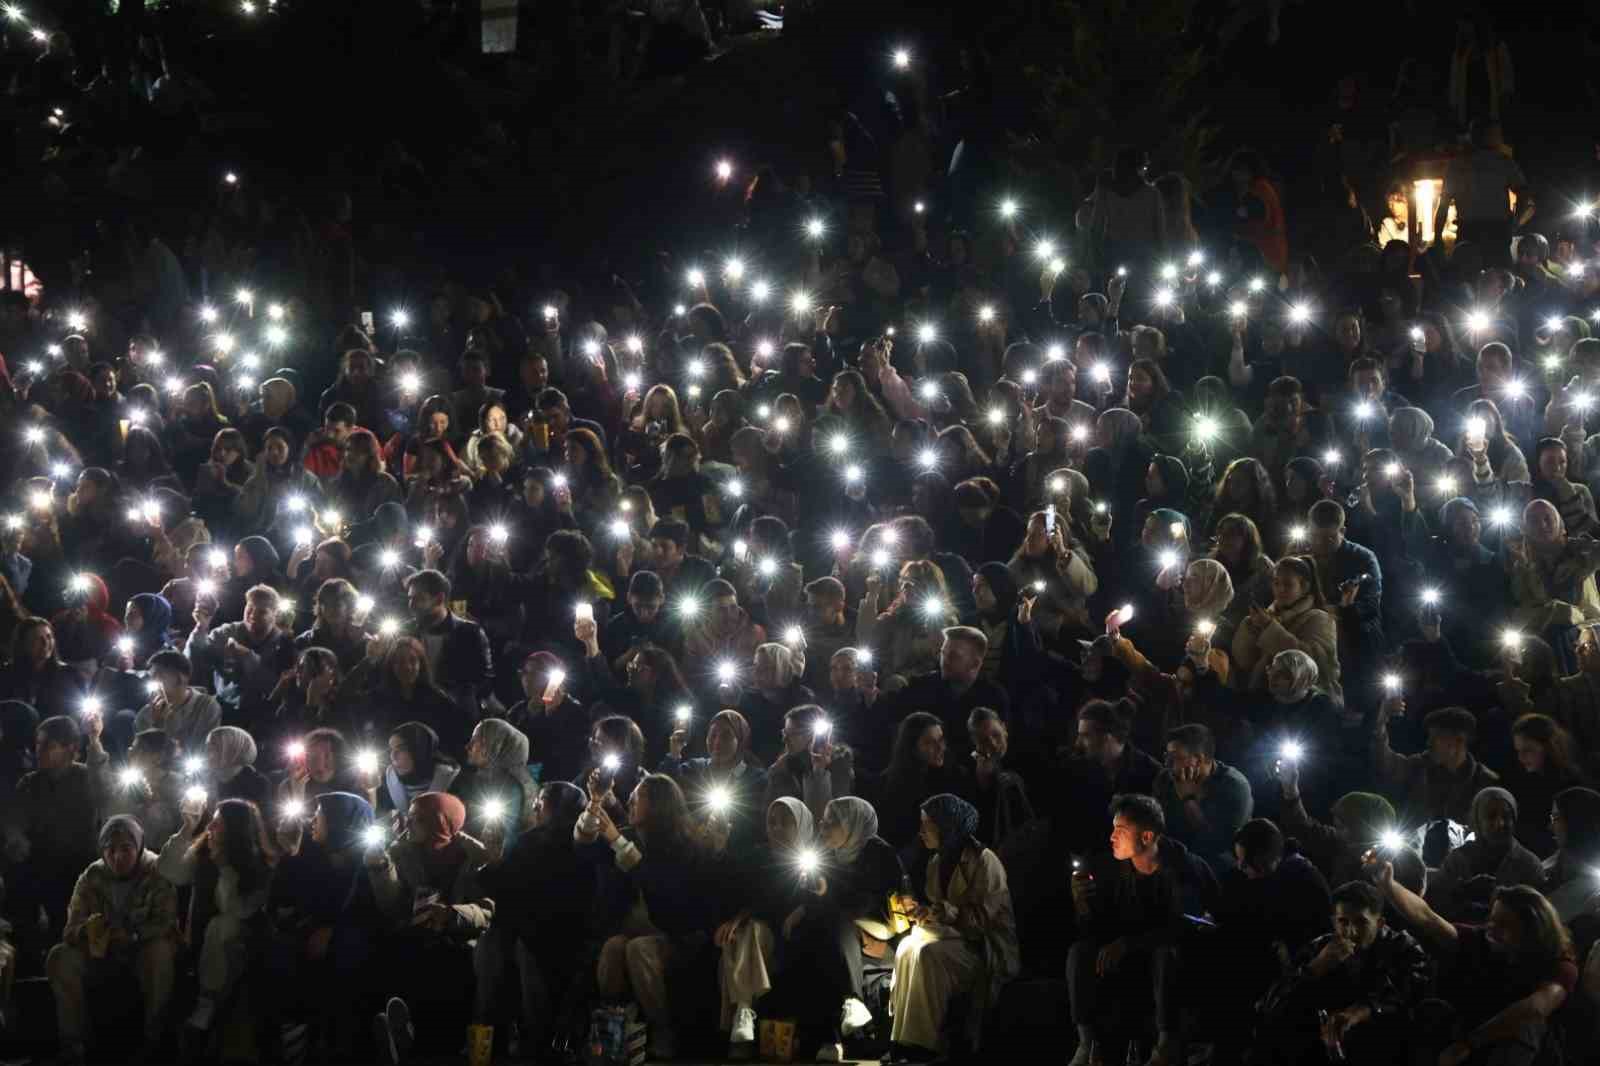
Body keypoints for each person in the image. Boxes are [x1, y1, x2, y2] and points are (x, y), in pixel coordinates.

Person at [1363, 852, 1577, 1066]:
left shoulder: (1558, 964)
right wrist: (1389, 886)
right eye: (1492, 920)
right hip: (1472, 1036)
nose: (1492, 928)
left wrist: (1468, 1044)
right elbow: (1427, 918)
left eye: (1504, 925)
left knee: (1525, 1029)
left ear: (1532, 931)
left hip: (1523, 1053)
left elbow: (1535, 1008)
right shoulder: (1482, 939)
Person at [1068, 793, 1220, 1066]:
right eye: (1113, 828)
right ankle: (1086, 1042)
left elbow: (1187, 927)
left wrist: (1129, 943)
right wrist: (1082, 905)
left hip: (1177, 960)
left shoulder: (1183, 869)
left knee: (1166, 955)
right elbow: (1096, 928)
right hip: (1132, 959)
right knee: (1080, 952)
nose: (1112, 837)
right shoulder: (1112, 868)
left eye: (1121, 830)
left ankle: (1166, 1045)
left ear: (1147, 837)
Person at [888, 794, 1018, 1061]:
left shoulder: (984, 860)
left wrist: (950, 913)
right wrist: (926, 913)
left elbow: (984, 919)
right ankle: (901, 1038)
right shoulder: (937, 862)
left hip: (983, 946)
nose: (922, 831)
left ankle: (925, 1043)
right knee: (906, 947)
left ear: (946, 826)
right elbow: (940, 907)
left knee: (927, 954)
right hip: (953, 938)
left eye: (928, 824)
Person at [1252, 880, 1432, 1066]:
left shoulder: (1403, 947)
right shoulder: (1321, 948)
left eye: (1361, 922)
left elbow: (1414, 992)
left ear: (1379, 923)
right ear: (1333, 922)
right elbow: (1270, 1005)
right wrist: (1314, 969)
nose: (1351, 932)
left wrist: (1363, 1010)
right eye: (1343, 922)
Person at [47, 815, 180, 1065]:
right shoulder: (92, 876)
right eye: (111, 849)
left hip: (142, 952)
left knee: (161, 952)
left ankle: (154, 1040)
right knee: (60, 957)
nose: (118, 857)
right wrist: (87, 931)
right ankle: (73, 1044)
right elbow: (70, 928)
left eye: (126, 849)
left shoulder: (156, 870)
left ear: (138, 847)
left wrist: (134, 935)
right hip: (102, 955)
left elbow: (167, 922)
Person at [157, 797, 275, 1043]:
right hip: (203, 950)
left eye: (217, 824)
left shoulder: (258, 867)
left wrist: (224, 868)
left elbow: (237, 910)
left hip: (242, 951)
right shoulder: (203, 855)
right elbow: (169, 871)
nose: (209, 828)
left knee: (222, 925)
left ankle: (208, 1003)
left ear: (235, 830)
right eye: (211, 823)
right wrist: (187, 828)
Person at [879, 626, 1010, 752]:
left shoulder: (994, 697)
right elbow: (891, 709)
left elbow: (999, 747)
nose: (944, 660)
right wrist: (870, 693)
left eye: (953, 656)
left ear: (975, 663)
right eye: (943, 653)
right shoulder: (924, 685)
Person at [1427, 786, 1545, 921]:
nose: (1500, 823)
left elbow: (1538, 917)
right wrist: (1462, 892)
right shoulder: (1457, 860)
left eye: (1506, 816)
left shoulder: (1528, 864)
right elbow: (1434, 905)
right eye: (1491, 816)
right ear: (1477, 820)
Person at [1152, 724, 1253, 873]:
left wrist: (1187, 799)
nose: (1167, 764)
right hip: (1174, 861)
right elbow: (1158, 829)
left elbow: (1217, 844)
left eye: (1175, 758)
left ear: (1198, 760)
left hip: (1218, 867)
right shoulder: (1165, 780)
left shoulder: (1234, 786)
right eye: (1167, 756)